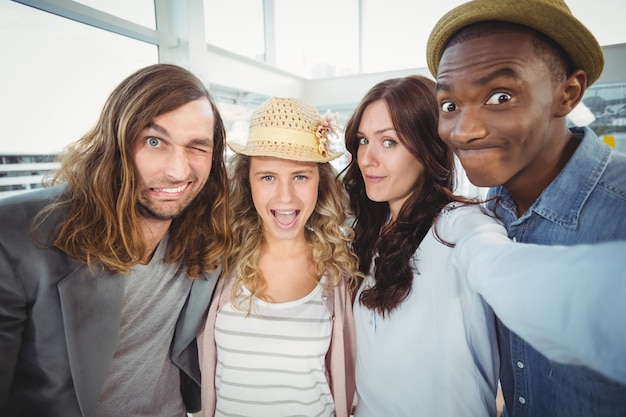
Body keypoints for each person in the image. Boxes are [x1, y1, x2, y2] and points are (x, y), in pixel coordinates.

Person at [427, 0, 626, 415]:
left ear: (567, 94)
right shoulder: (489, 205)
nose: (464, 130)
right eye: (449, 106)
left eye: (500, 97)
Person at [0, 63, 231, 417]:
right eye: (155, 141)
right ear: (116, 141)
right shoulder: (17, 236)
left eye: (197, 147)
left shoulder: (207, 227)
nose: (178, 171)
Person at [342, 75, 502, 416]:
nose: (367, 158)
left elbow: (494, 255)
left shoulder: (457, 226)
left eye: (389, 143)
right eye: (362, 140)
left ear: (428, 146)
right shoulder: (370, 232)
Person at [198, 97, 361, 417]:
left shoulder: (337, 270)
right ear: (248, 182)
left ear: (320, 182)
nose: (285, 196)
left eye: (300, 176)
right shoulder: (219, 260)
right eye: (268, 177)